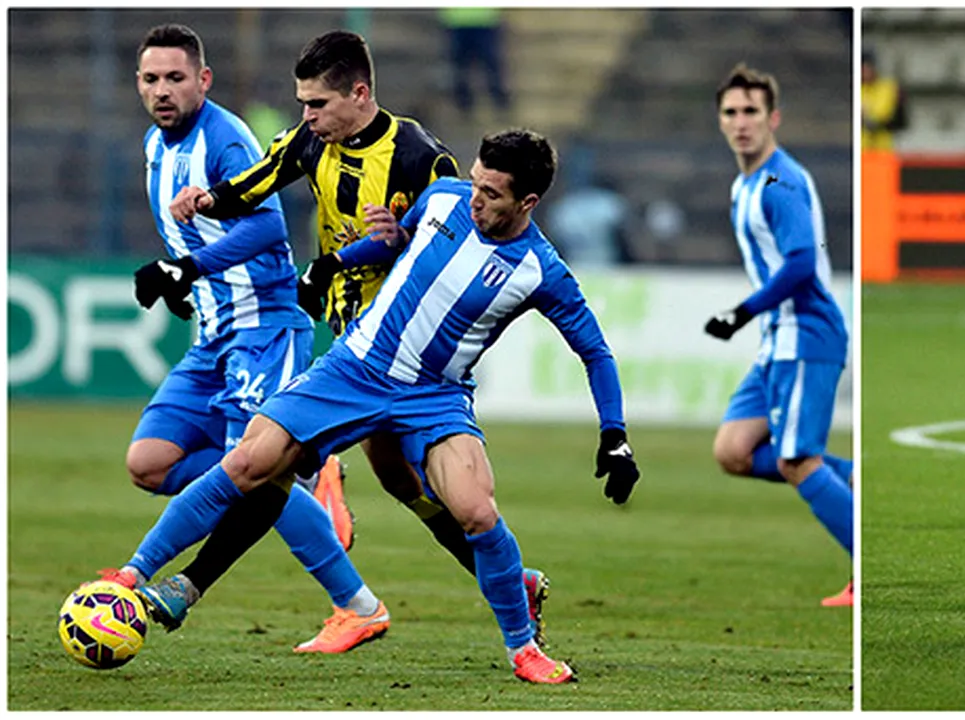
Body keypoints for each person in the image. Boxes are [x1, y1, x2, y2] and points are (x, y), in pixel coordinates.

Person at [133, 129, 640, 684]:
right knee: (250, 461)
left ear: (528, 204)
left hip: (434, 396)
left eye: (492, 194)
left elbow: (594, 351)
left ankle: (524, 651)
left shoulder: (540, 270)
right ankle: (137, 576)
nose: (476, 198)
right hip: (356, 367)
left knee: (476, 510)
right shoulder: (445, 195)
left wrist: (614, 435)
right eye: (476, 183)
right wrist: (335, 262)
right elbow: (400, 239)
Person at [165, 30, 553, 647]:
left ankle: (192, 584)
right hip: (351, 335)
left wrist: (393, 240)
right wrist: (209, 197)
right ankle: (511, 582)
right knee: (399, 484)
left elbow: (457, 245)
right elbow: (262, 178)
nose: (306, 117)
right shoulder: (312, 141)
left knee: (274, 466)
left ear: (360, 93)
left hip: (402, 353)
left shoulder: (421, 156)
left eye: (316, 104)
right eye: (303, 105)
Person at [118, 23, 387, 654]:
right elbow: (196, 237)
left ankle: (357, 605)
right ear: (138, 84)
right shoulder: (155, 146)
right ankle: (308, 475)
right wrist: (185, 280)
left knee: (255, 474)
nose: (163, 91)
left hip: (265, 327)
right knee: (148, 463)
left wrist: (188, 268)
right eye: (152, 79)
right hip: (213, 334)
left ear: (202, 80)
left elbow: (267, 228)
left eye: (176, 78)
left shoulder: (225, 140)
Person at [704, 64, 855, 608]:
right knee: (733, 451)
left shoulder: (779, 182)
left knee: (797, 461)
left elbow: (798, 266)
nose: (741, 122)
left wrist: (741, 312)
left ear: (773, 119)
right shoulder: (744, 183)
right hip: (779, 338)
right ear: (720, 121)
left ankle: (865, 564)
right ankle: (855, 484)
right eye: (731, 112)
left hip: (806, 332)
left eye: (751, 112)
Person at [439, 7, 510, 118]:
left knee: (488, 64)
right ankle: (464, 103)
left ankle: (498, 100)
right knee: (461, 66)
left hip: (483, 21)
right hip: (459, 21)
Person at [861, 46, 907, 152]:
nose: (865, 71)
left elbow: (896, 119)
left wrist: (872, 121)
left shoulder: (889, 88)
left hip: (883, 149)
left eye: (867, 67)